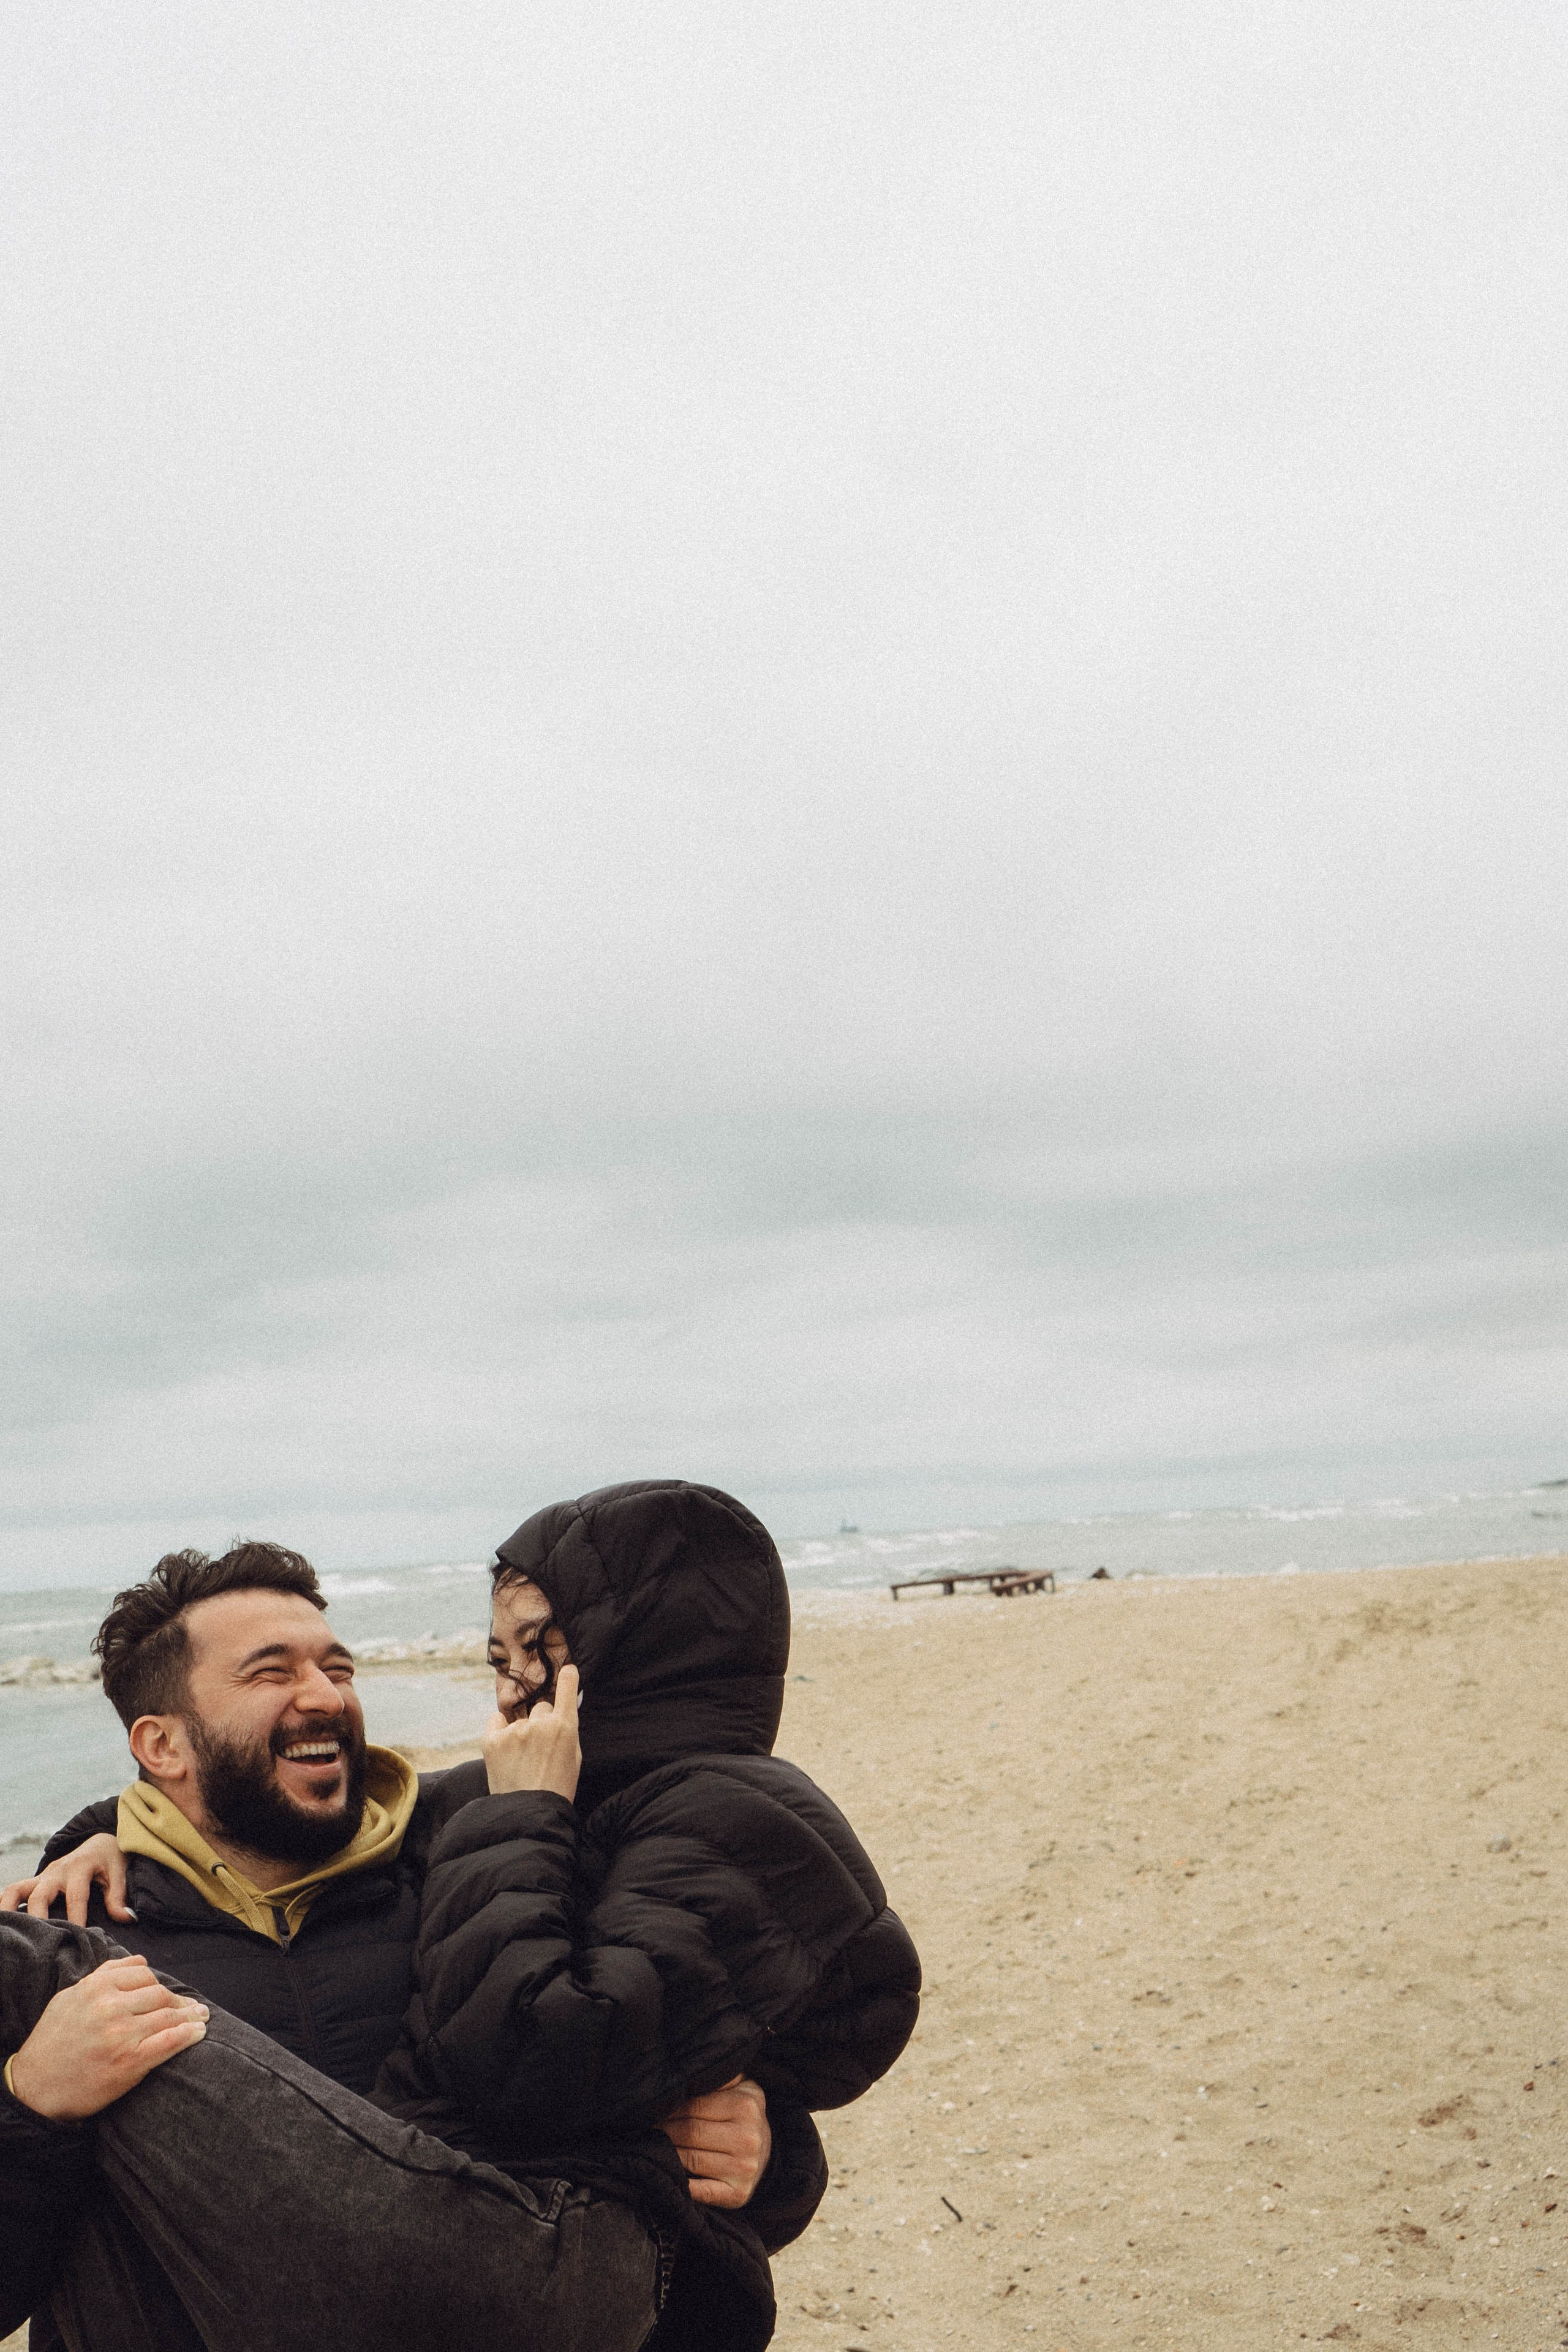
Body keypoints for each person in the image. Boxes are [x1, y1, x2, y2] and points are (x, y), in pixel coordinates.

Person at [0, 1536, 823, 2351]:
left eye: (340, 1669)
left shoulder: (481, 1881)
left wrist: (767, 2151)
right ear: (161, 1746)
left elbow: (677, 2052)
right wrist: (29, 2104)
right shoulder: (73, 1941)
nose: (326, 1695)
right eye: (273, 1672)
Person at [372, 1480, 922, 2345]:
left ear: (635, 1651)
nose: (514, 1690)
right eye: (496, 1658)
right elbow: (336, 1824)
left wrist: (773, 2144)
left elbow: (537, 2055)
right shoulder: (557, 1790)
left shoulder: (732, 1816)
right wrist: (122, 1830)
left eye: (540, 1650)